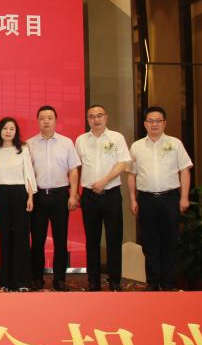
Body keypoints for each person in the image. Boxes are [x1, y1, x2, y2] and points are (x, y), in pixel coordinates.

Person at [127, 106, 193, 291]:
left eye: (158, 121)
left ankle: (168, 282)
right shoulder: (137, 146)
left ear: (165, 123)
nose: (154, 124)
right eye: (150, 121)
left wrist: (184, 197)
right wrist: (133, 199)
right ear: (145, 124)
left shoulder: (175, 143)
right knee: (149, 242)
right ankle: (153, 282)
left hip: (169, 198)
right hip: (146, 199)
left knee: (170, 241)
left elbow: (185, 171)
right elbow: (131, 175)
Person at [75, 104, 131, 291]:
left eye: (99, 115)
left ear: (106, 117)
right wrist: (75, 191)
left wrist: (104, 181)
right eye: (91, 116)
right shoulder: (81, 140)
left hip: (111, 193)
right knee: (92, 239)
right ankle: (93, 280)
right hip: (89, 195)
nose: (96, 119)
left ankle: (114, 280)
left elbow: (122, 164)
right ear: (87, 119)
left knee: (114, 238)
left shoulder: (117, 138)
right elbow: (77, 167)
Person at [26, 105, 81, 291]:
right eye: (42, 118)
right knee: (37, 240)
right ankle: (36, 278)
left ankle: (59, 279)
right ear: (38, 121)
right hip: (38, 196)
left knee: (60, 240)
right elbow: (27, 174)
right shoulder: (29, 144)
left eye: (50, 118)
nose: (46, 121)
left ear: (56, 120)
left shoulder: (66, 143)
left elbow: (73, 170)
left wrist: (73, 195)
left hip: (60, 195)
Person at [0, 117, 36, 292]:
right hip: (1, 195)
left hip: (20, 194)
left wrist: (30, 197)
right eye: (5, 128)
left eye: (11, 128)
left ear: (16, 131)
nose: (8, 131)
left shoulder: (23, 149)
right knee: (5, 237)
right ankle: (6, 281)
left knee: (22, 237)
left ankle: (22, 281)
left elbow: (29, 174)